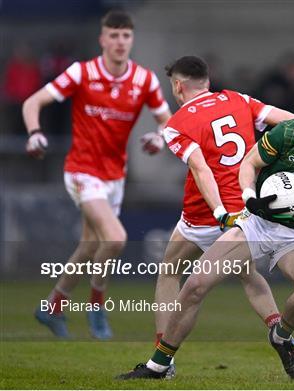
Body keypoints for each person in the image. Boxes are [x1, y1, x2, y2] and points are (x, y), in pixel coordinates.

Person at [118, 80, 294, 380]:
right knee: (195, 285)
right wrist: (249, 197)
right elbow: (249, 164)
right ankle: (158, 366)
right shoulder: (290, 132)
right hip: (258, 224)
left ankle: (281, 335)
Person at [23, 10, 172, 339]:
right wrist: (34, 132)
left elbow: (167, 121)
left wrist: (159, 139)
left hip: (114, 176)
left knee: (90, 246)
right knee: (116, 238)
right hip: (81, 171)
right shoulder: (82, 73)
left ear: (131, 40)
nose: (120, 42)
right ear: (102, 39)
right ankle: (96, 306)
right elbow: (33, 101)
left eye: (126, 36)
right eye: (114, 35)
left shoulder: (143, 80)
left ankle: (52, 308)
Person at [152, 55, 294, 378]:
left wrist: (219, 212)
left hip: (205, 215)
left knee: (170, 272)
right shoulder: (239, 99)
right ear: (208, 80)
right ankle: (279, 331)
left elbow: (201, 169)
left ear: (178, 86)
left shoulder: (177, 122)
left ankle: (162, 360)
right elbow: (293, 122)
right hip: (246, 210)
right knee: (248, 276)